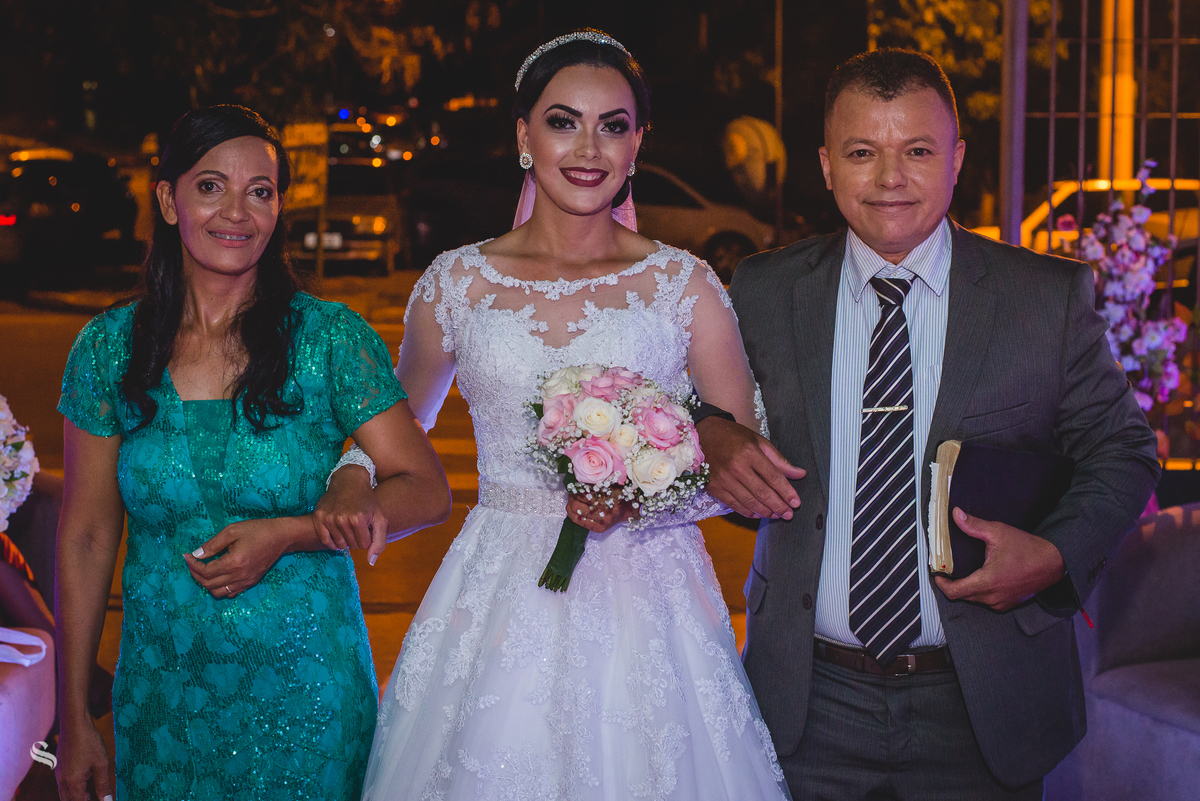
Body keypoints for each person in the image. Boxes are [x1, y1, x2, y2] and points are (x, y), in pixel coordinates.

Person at [320, 30, 791, 801]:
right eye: (563, 120)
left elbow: (744, 466)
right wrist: (350, 471)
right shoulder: (457, 283)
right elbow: (399, 417)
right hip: (503, 590)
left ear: (638, 143)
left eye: (613, 125)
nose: (588, 147)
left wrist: (640, 493)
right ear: (522, 134)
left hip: (652, 603)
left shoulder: (685, 284)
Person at [698, 48, 1160, 799]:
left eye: (917, 150)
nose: (889, 178)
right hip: (808, 701)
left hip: (981, 703)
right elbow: (697, 409)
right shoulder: (762, 289)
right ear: (824, 164)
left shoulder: (1045, 299)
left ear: (957, 159)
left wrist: (1053, 552)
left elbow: (1125, 450)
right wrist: (712, 433)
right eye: (861, 152)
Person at [54, 105, 451, 801]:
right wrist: (74, 716)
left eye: (260, 191)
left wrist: (293, 532)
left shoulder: (329, 339)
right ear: (167, 200)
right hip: (161, 697)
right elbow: (86, 536)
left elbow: (424, 488)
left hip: (307, 695)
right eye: (211, 186)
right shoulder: (107, 349)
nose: (237, 211)